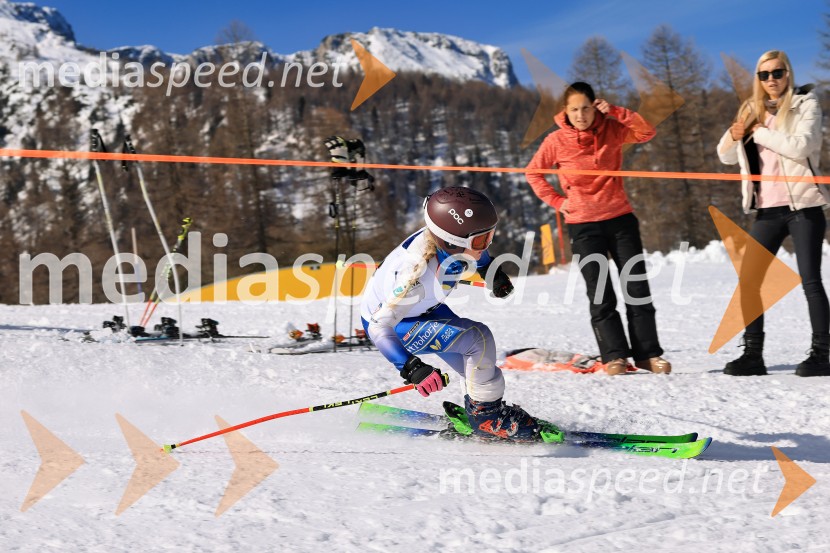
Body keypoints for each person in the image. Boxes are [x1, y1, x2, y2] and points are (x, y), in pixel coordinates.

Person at [360, 186, 544, 441]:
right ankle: (487, 417)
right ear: (453, 241)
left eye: (489, 236)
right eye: (481, 241)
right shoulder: (415, 274)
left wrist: (490, 271)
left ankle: (482, 410)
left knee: (478, 368)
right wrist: (411, 368)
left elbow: (476, 251)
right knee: (478, 339)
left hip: (424, 311)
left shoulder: (450, 243)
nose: (487, 244)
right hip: (396, 326)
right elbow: (378, 327)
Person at [524, 81, 671, 376]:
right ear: (565, 111)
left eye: (586, 108)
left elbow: (646, 132)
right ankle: (614, 356)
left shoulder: (612, 129)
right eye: (575, 109)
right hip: (583, 225)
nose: (581, 115)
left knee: (636, 288)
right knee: (601, 293)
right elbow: (533, 172)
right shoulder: (555, 140)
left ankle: (648, 354)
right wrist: (558, 201)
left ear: (596, 106)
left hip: (620, 219)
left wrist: (617, 111)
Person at [716, 50, 830, 377]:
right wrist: (734, 135)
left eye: (777, 73)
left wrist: (758, 131)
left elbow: (801, 146)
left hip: (803, 206)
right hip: (767, 209)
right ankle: (753, 355)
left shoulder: (805, 104)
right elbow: (724, 156)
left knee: (810, 280)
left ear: (788, 74)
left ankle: (821, 354)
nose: (771, 80)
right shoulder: (750, 110)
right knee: (749, 281)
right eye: (763, 75)